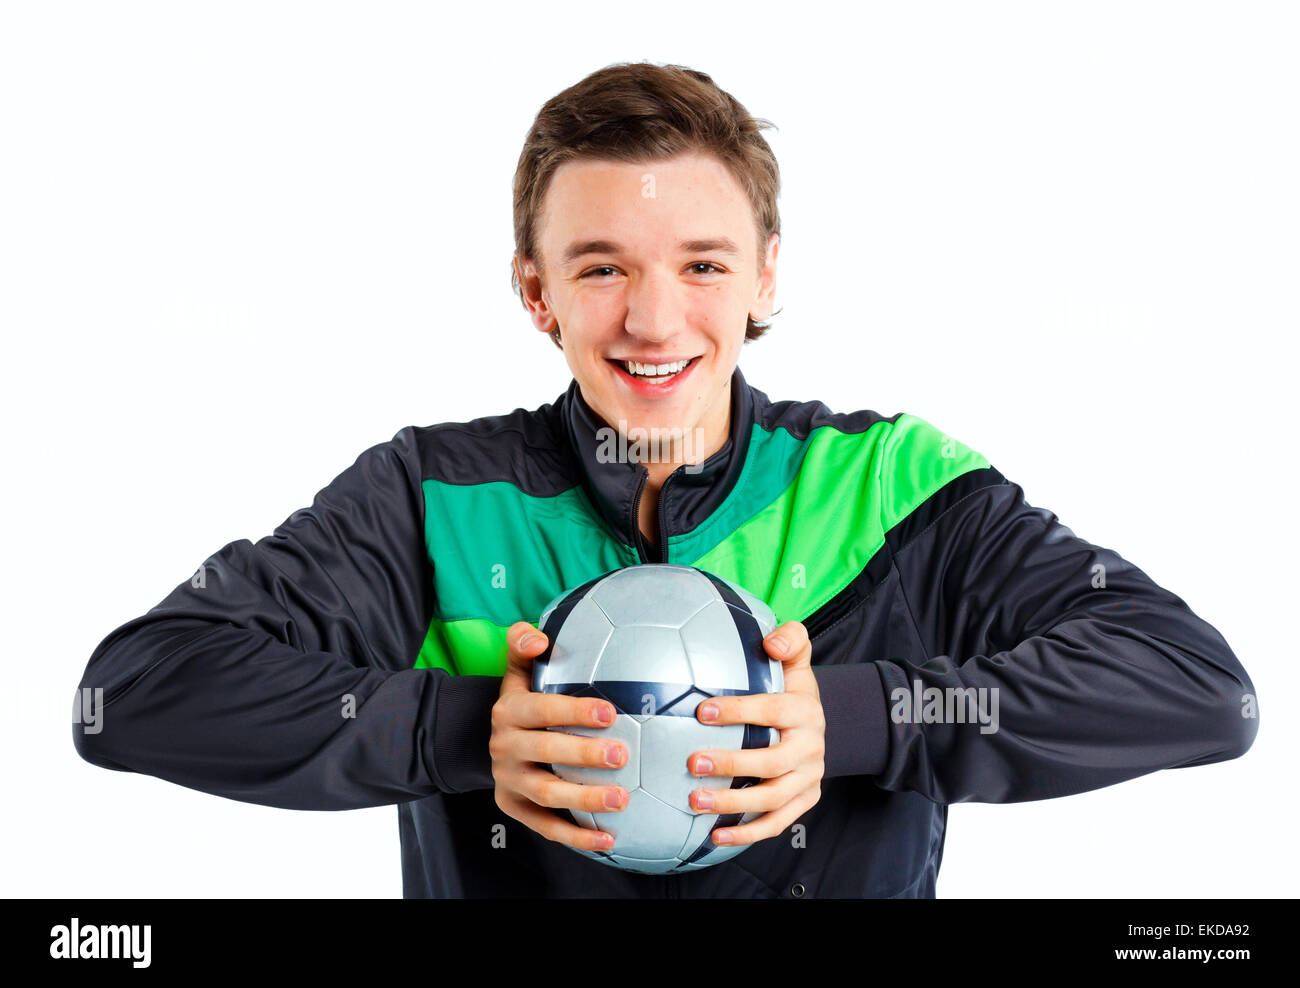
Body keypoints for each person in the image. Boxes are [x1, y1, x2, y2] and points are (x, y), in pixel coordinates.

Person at [73, 61, 1258, 898]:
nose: (653, 319)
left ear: (764, 275)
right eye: (600, 268)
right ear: (534, 291)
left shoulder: (891, 484)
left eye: (702, 262)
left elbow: (1201, 689)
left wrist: (857, 718)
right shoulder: (432, 495)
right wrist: (471, 728)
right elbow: (130, 695)